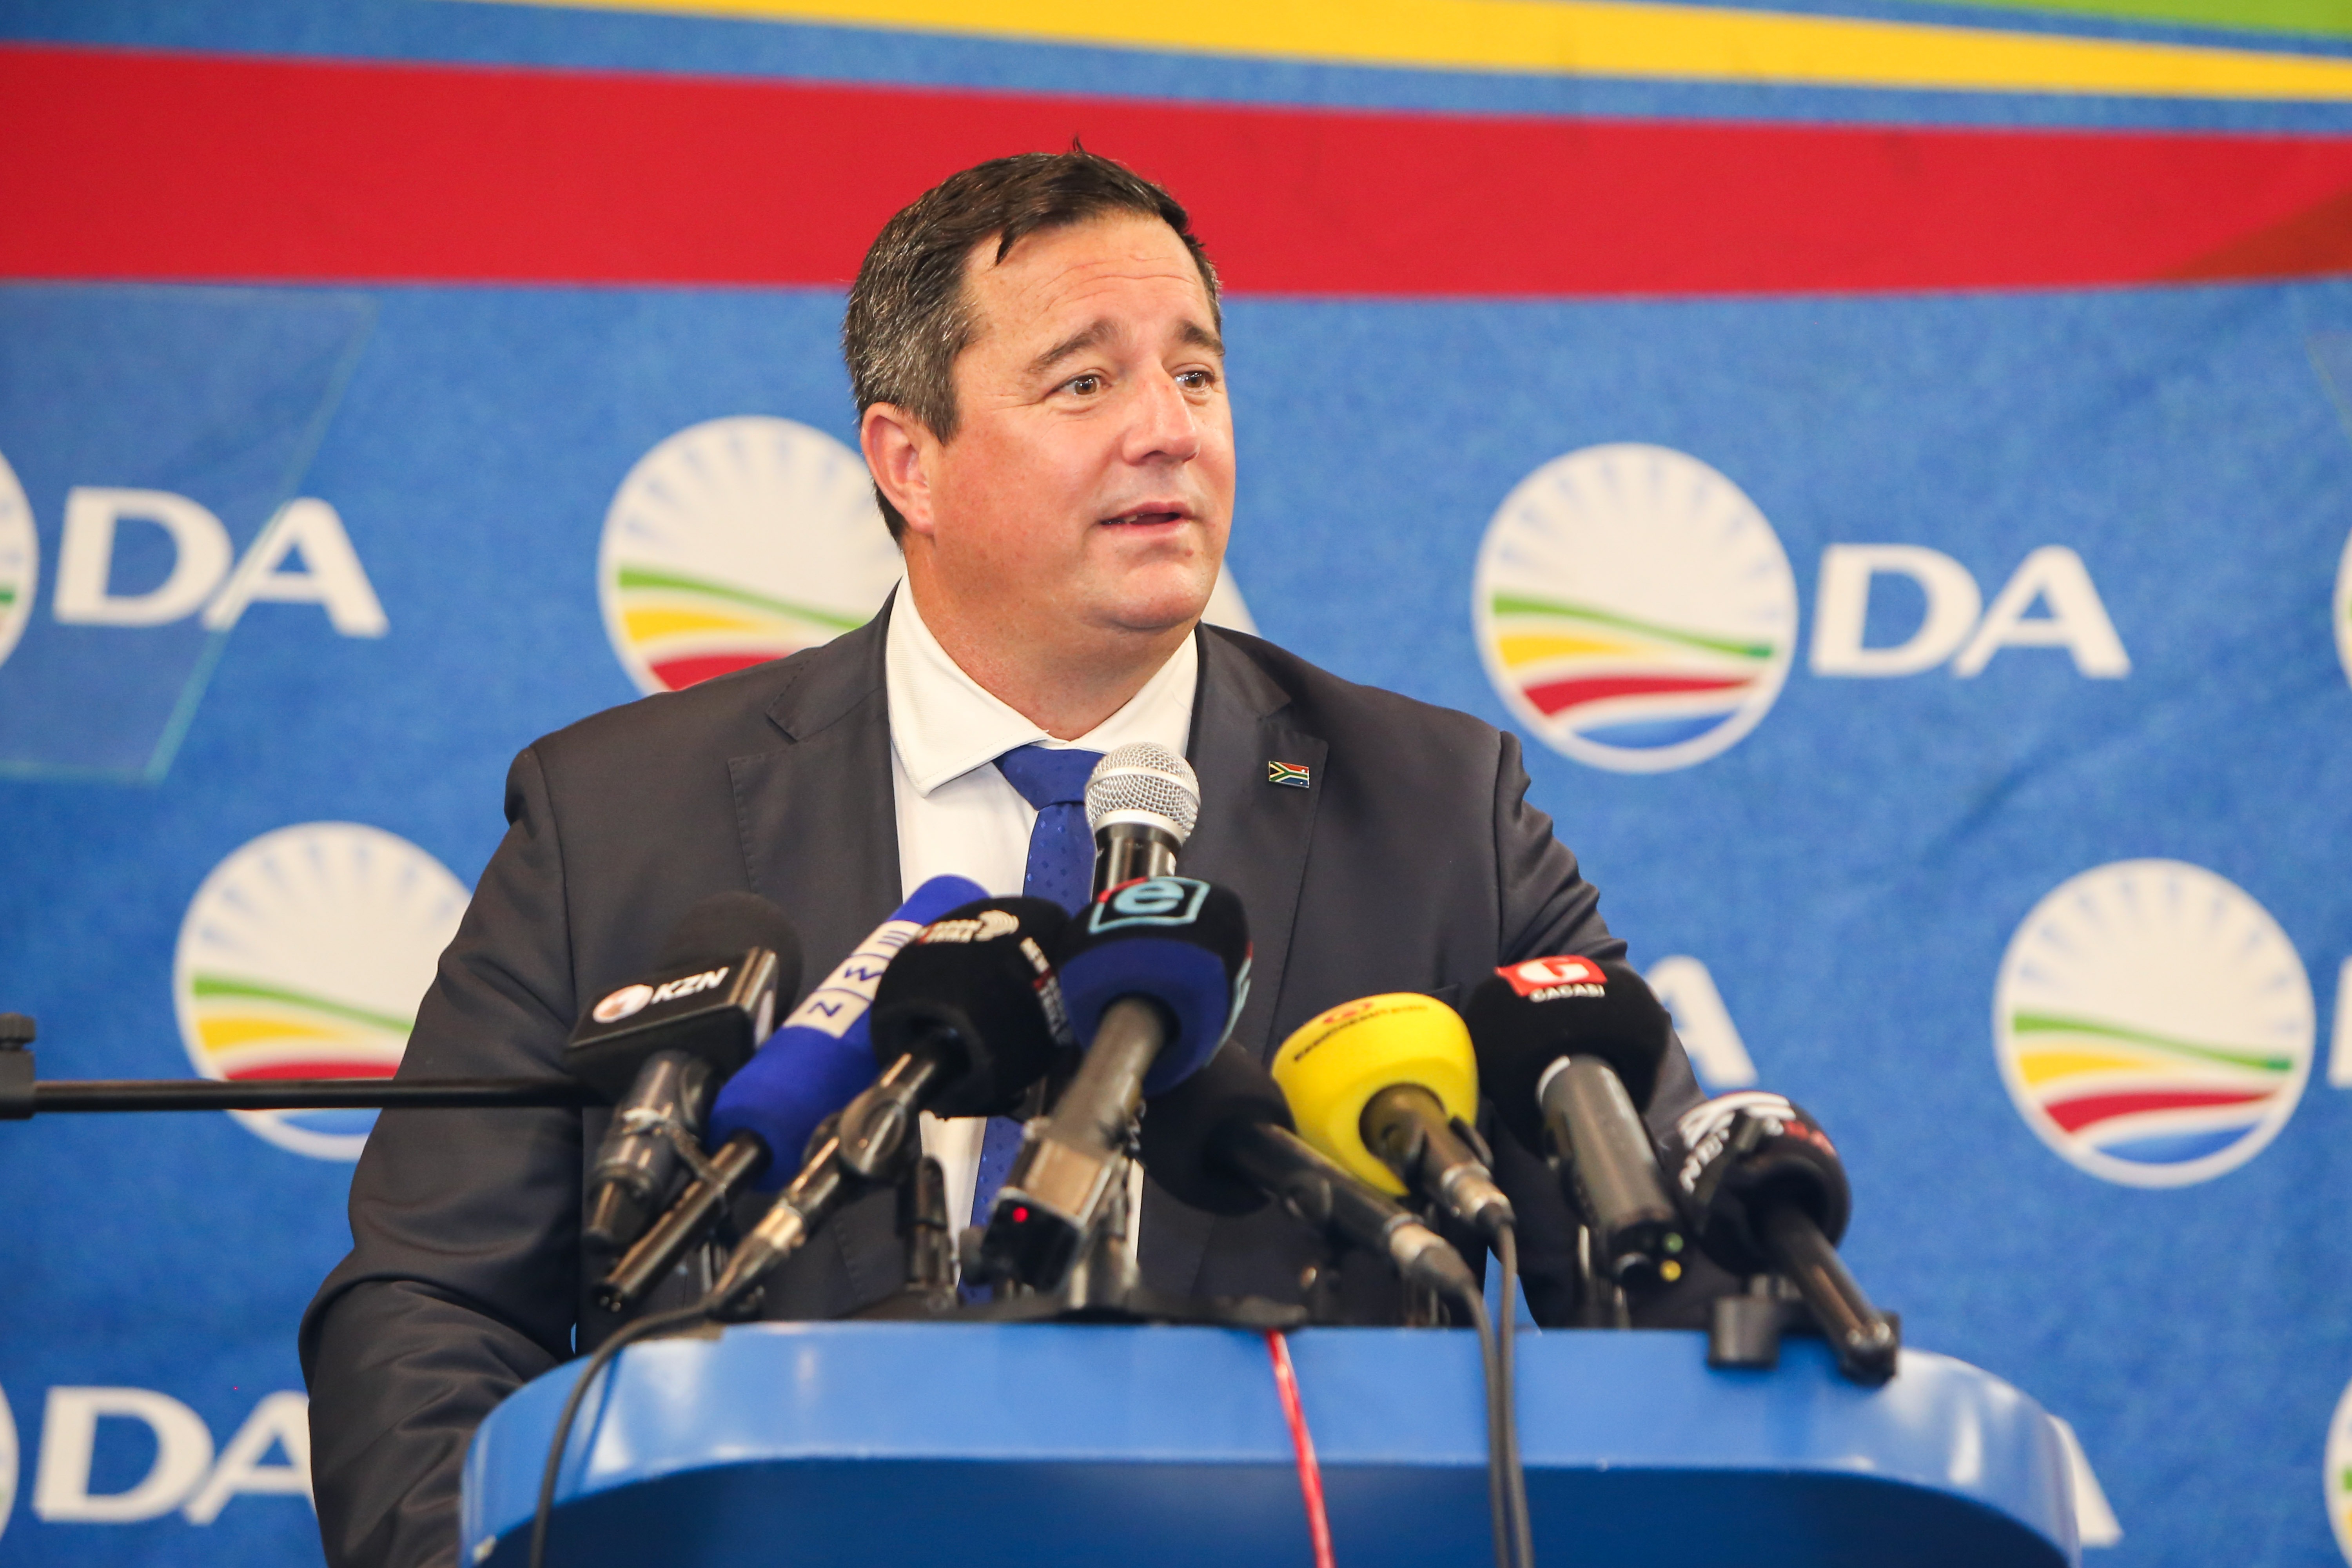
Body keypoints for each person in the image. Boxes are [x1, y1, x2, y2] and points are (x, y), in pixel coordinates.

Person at [300, 149, 1711, 1568]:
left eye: (1199, 375)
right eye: (1085, 383)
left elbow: (1660, 1277)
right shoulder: (619, 816)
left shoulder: (1434, 812)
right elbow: (433, 1306)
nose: (1169, 430)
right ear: (909, 460)